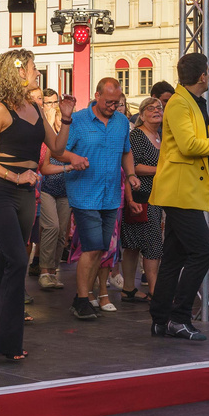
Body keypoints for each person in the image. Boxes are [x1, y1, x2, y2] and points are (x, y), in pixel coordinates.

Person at [0, 49, 67, 361]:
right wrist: (14, 176)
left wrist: (65, 118)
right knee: (15, 260)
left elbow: (56, 148)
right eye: (33, 68)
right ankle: (8, 341)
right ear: (18, 72)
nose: (37, 73)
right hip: (2, 190)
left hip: (27, 192)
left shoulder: (37, 109)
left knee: (7, 262)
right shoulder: (0, 109)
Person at [149, 53, 209, 342]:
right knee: (202, 252)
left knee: (174, 257)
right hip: (180, 191)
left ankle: (161, 319)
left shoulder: (190, 102)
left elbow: (196, 137)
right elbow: (189, 145)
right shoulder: (178, 103)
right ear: (203, 76)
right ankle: (178, 317)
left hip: (185, 190)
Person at [62, 77, 136, 322]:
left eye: (116, 103)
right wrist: (73, 158)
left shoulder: (122, 122)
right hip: (84, 194)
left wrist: (132, 175)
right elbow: (59, 151)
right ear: (96, 95)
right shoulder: (79, 121)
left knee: (101, 249)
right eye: (108, 102)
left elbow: (126, 152)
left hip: (111, 195)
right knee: (92, 247)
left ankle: (84, 297)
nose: (112, 107)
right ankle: (82, 298)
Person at [122, 95, 167, 305]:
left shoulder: (162, 137)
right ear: (141, 115)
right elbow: (134, 167)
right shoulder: (137, 136)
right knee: (151, 245)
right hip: (141, 197)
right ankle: (156, 291)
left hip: (159, 198)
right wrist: (162, 171)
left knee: (134, 245)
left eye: (159, 107)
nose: (157, 110)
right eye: (150, 108)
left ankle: (128, 289)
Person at [36, 88, 72, 292]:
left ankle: (52, 271)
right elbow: (45, 166)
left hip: (67, 190)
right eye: (58, 118)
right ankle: (43, 271)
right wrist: (68, 165)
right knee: (52, 227)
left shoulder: (72, 137)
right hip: (49, 187)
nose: (60, 122)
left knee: (61, 234)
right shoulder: (52, 139)